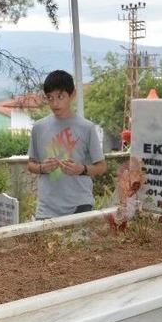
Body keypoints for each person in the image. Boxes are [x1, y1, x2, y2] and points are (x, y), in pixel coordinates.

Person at [27, 70, 106, 218]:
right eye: (50, 98)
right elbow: (31, 164)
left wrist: (81, 169)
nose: (55, 103)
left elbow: (101, 166)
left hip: (80, 204)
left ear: (72, 94)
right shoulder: (39, 127)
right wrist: (42, 168)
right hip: (46, 207)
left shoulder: (87, 127)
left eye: (60, 97)